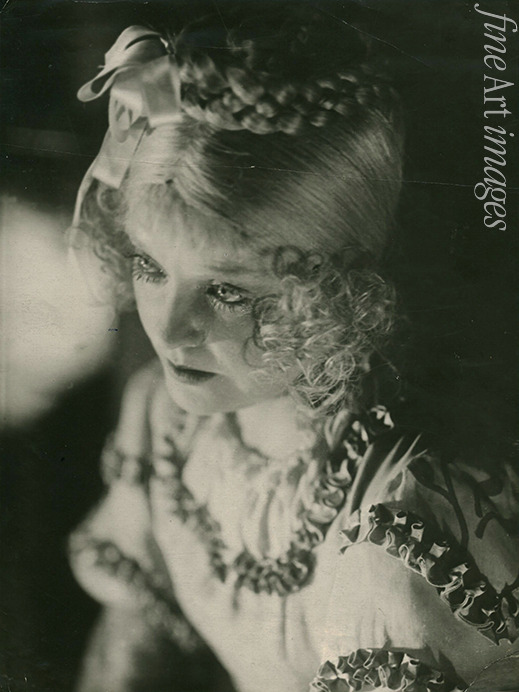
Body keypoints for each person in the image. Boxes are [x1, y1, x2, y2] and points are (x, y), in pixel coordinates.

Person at [67, 4, 519, 691]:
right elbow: (128, 651)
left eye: (227, 291)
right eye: (150, 266)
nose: (170, 328)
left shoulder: (402, 511)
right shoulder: (168, 421)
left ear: (330, 294)